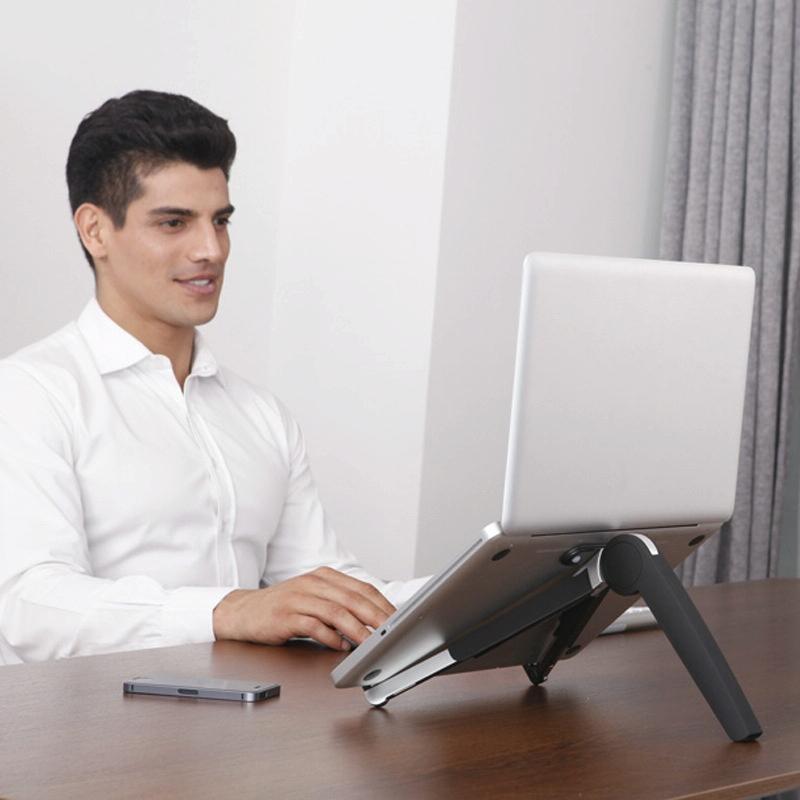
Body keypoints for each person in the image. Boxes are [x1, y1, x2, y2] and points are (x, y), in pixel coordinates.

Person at [0, 90, 426, 664]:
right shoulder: (30, 395)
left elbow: (332, 595)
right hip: (95, 721)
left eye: (220, 221)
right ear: (95, 231)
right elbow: (30, 604)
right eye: (174, 222)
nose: (211, 249)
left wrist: (499, 588)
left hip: (257, 717)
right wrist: (227, 610)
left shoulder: (260, 414)